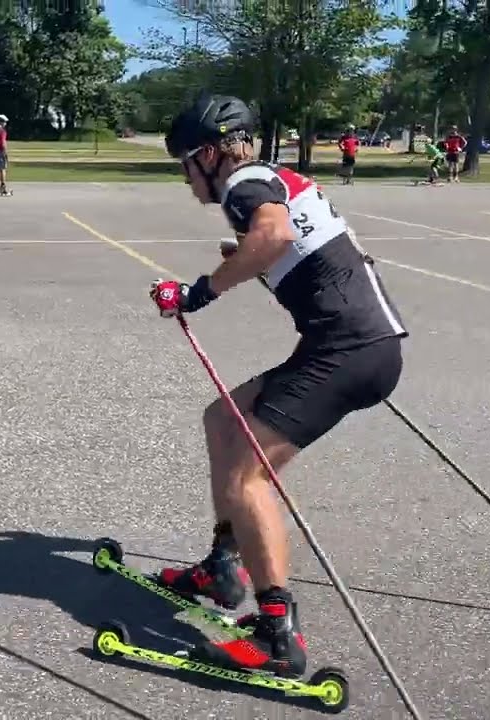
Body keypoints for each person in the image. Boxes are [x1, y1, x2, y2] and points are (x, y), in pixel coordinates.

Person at [147, 92, 408, 680]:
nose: (187, 179)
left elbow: (273, 235)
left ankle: (274, 636)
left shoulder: (244, 185)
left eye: (186, 164)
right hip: (359, 344)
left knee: (249, 476)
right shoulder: (279, 177)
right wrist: (248, 256)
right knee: (222, 418)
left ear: (210, 155)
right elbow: (292, 243)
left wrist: (197, 292)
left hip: (347, 351)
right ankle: (222, 563)